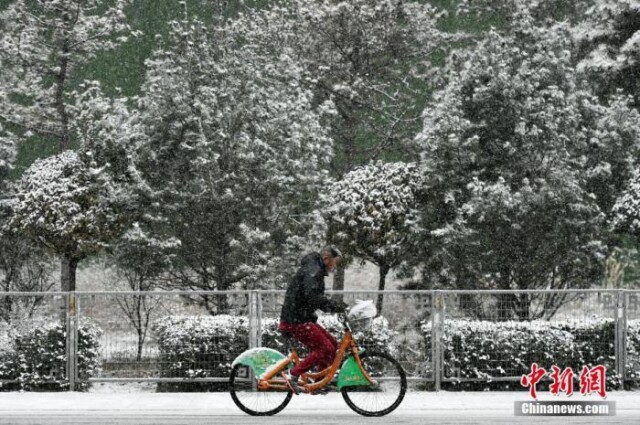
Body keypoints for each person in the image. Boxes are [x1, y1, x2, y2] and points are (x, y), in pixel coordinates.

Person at [279, 246, 348, 394]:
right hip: (295, 320)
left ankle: (318, 383)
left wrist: (333, 306)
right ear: (327, 259)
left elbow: (314, 297)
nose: (334, 266)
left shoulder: (315, 269)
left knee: (332, 344)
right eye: (335, 262)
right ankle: (293, 374)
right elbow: (313, 297)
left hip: (301, 317)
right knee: (324, 348)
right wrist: (334, 306)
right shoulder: (314, 271)